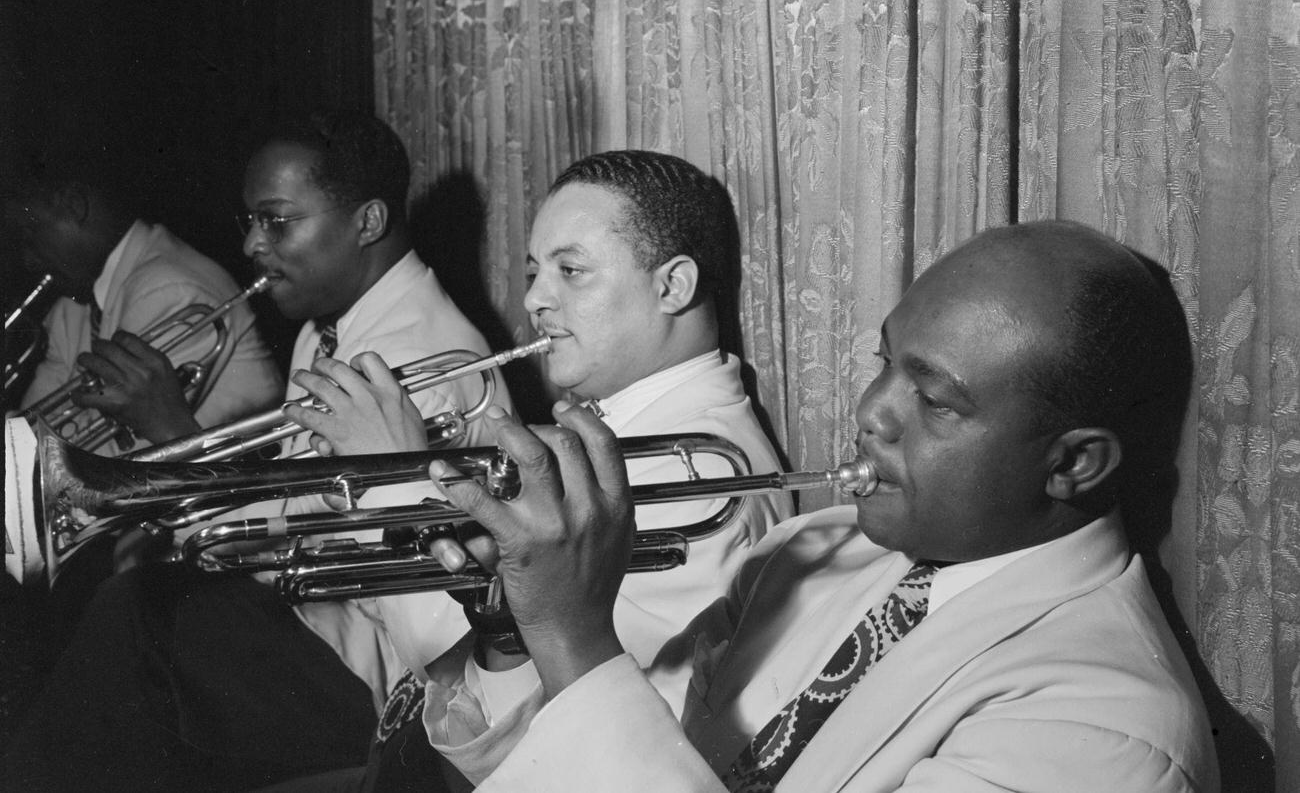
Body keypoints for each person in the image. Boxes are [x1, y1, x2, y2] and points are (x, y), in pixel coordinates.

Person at [424, 220, 1220, 792]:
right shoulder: (812, 551)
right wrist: (514, 637)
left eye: (935, 400)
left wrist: (573, 636)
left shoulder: (1103, 728)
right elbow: (591, 755)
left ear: (1073, 463)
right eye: (885, 362)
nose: (872, 410)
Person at [1, 111, 512, 793]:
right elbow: (298, 512)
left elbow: (362, 572)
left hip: (387, 673)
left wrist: (172, 432)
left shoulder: (414, 358)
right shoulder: (332, 327)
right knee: (131, 628)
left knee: (133, 623)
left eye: (276, 221)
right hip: (322, 624)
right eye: (249, 221)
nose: (251, 244)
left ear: (366, 222)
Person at [262, 150, 795, 793]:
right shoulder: (617, 430)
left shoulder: (697, 472)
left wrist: (394, 481)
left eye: (572, 272)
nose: (536, 300)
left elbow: (560, 726)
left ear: (672, 287)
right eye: (535, 272)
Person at [10, 145, 282, 451]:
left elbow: (113, 462)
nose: (29, 260)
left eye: (30, 235)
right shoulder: (69, 310)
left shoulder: (171, 287)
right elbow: (30, 435)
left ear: (74, 206)